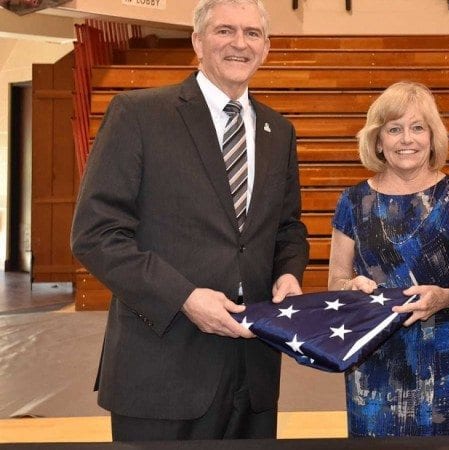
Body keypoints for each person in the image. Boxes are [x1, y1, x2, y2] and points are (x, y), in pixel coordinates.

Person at [70, 0, 309, 441]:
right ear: (197, 41)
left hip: (253, 372)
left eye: (253, 33)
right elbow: (96, 235)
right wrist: (184, 297)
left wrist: (288, 274)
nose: (240, 43)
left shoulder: (280, 131)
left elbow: (288, 228)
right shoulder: (138, 115)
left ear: (267, 47)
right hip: (161, 369)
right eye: (225, 31)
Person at [327, 81, 449, 437]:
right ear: (378, 141)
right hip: (374, 359)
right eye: (394, 129)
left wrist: (443, 297)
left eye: (417, 128)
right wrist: (351, 287)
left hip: (444, 357)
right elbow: (335, 281)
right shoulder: (352, 201)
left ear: (432, 136)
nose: (406, 139)